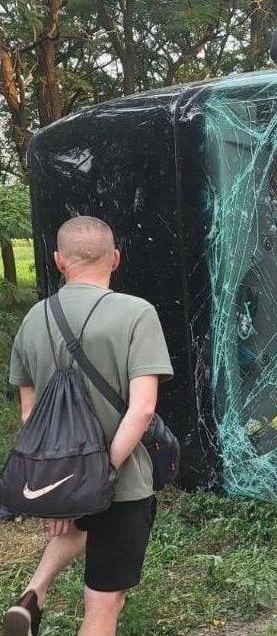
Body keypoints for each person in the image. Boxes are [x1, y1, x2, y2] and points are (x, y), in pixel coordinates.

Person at [5, 217, 173, 636]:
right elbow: (142, 410)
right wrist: (103, 471)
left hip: (61, 473)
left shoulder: (33, 319)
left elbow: (29, 414)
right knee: (103, 603)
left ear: (59, 261)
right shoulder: (137, 313)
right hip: (123, 481)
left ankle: (33, 595)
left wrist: (66, 482)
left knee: (78, 527)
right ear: (115, 259)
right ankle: (37, 598)